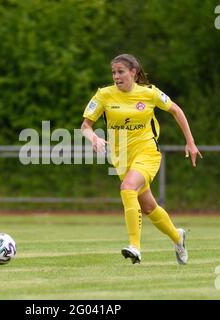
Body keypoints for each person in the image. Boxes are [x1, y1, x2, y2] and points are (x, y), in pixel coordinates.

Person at [81, 54, 202, 265]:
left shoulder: (149, 93)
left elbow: (176, 110)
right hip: (121, 158)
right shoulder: (104, 95)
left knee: (127, 187)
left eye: (120, 72)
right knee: (148, 207)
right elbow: (85, 126)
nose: (116, 76)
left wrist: (190, 142)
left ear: (133, 73)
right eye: (113, 72)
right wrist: (93, 138)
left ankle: (135, 247)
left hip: (147, 152)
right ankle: (178, 237)